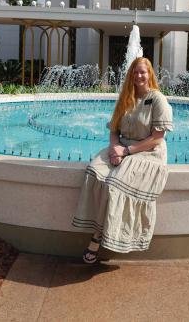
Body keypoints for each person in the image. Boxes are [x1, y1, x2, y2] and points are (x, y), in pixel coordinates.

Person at [72, 57, 173, 263]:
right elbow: (114, 130)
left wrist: (126, 152)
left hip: (148, 151)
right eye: (135, 72)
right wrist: (114, 148)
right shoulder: (125, 97)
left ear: (149, 74)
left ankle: (99, 236)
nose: (139, 76)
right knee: (94, 172)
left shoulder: (157, 99)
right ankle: (101, 229)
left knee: (114, 184)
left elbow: (157, 138)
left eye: (142, 72)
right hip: (122, 146)